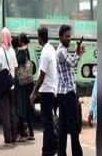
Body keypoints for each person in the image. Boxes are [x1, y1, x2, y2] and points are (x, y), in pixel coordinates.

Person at [56, 25, 85, 156]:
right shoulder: (61, 51)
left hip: (64, 93)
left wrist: (77, 52)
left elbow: (71, 61)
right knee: (73, 127)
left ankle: (62, 153)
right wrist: (79, 54)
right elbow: (72, 63)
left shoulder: (63, 50)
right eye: (67, 37)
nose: (69, 39)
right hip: (67, 94)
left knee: (62, 127)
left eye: (70, 36)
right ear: (60, 37)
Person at [30, 27, 58, 156]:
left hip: (46, 91)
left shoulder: (45, 53)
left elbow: (41, 76)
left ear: (40, 38)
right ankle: (53, 148)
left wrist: (33, 93)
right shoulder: (51, 49)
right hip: (53, 89)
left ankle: (47, 151)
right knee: (50, 122)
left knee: (47, 123)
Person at [0, 27, 19, 145]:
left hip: (3, 87)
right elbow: (16, 67)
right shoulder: (13, 51)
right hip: (12, 85)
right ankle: (14, 136)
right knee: (12, 111)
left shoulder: (0, 51)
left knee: (4, 112)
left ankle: (8, 138)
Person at [15, 33, 35, 142]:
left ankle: (23, 133)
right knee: (28, 108)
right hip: (29, 82)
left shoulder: (22, 51)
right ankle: (30, 132)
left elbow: (19, 62)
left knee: (22, 108)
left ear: (21, 40)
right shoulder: (28, 50)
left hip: (22, 83)